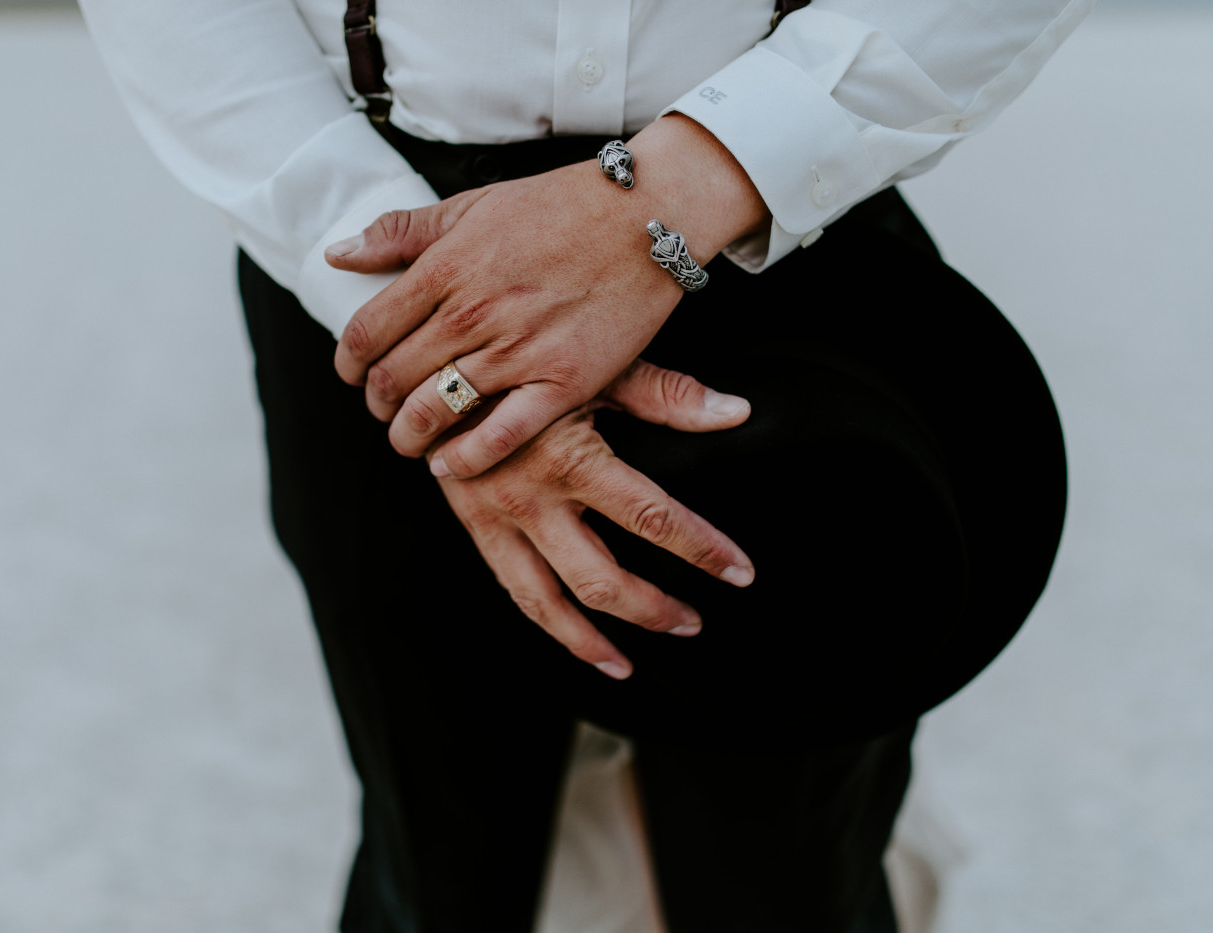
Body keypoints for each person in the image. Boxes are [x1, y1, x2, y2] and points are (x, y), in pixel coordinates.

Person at [77, 2, 1091, 929]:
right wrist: (431, 329)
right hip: (380, 244)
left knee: (787, 875)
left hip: (792, 234)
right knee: (441, 863)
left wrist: (684, 186)